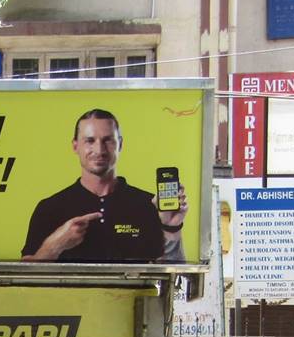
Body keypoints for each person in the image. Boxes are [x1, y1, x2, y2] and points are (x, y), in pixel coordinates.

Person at [20, 108, 188, 263]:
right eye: (89, 140)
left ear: (120, 144)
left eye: (108, 140)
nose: (99, 150)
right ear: (75, 146)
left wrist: (171, 227)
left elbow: (175, 278)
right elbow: (24, 279)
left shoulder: (150, 206)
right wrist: (55, 245)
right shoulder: (49, 208)